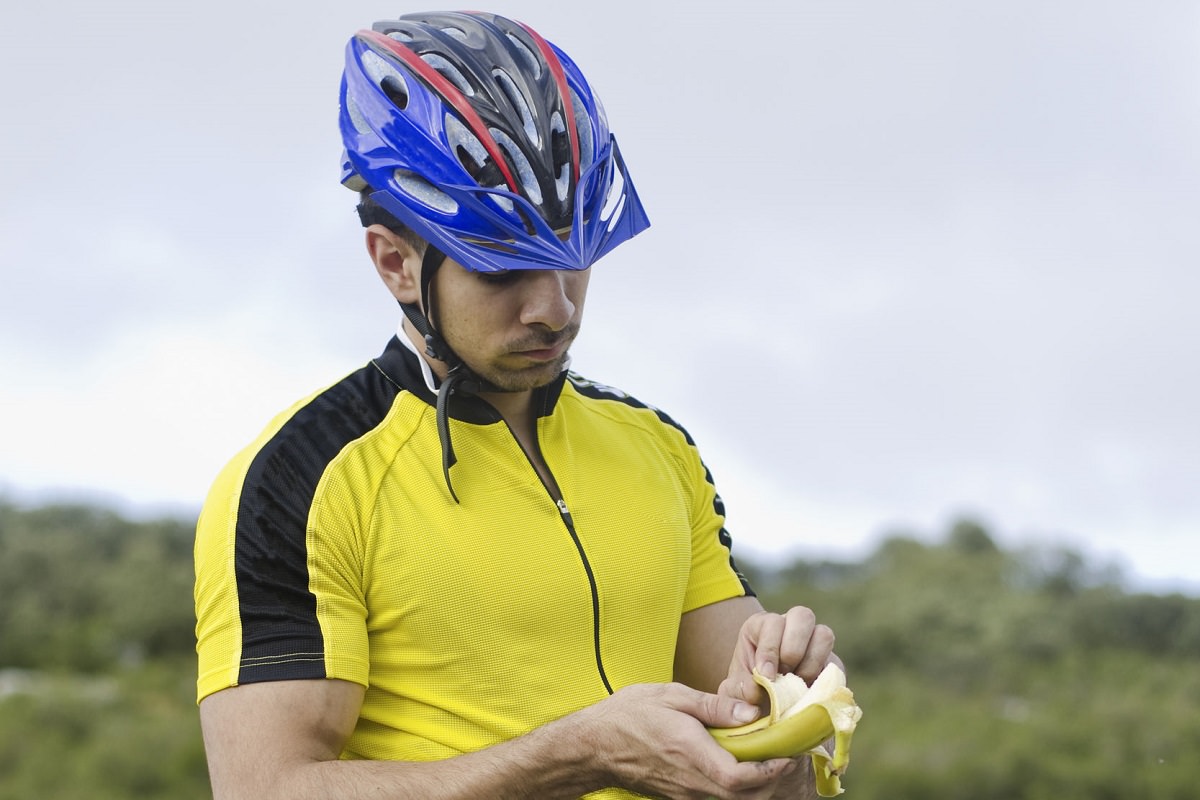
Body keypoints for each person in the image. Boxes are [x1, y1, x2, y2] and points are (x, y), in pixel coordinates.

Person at [194, 12, 842, 800]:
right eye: (504, 267)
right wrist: (574, 755)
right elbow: (262, 791)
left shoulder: (656, 447)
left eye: (574, 257)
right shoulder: (298, 479)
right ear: (395, 261)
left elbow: (762, 747)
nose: (557, 309)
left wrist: (787, 702)